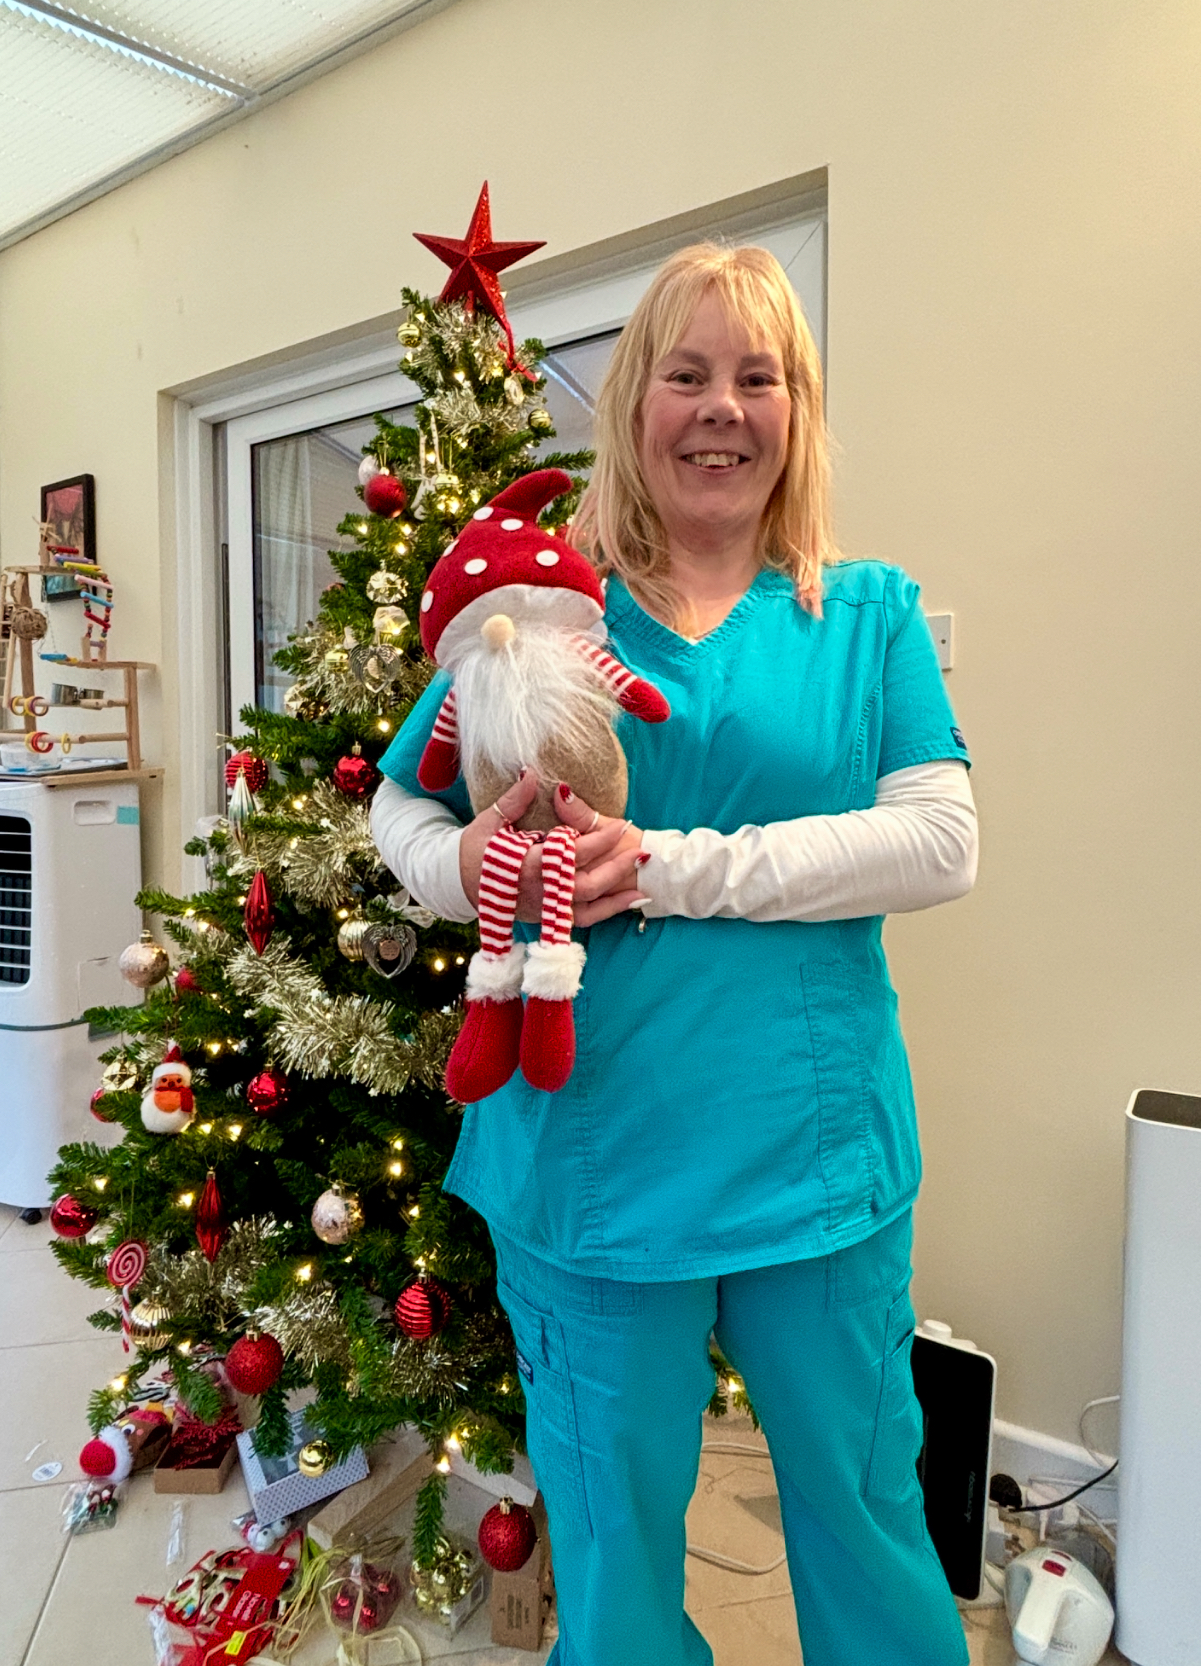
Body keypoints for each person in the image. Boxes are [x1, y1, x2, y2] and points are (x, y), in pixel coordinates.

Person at [370, 243, 977, 1666]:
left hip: (814, 1162)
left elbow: (940, 841)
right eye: (686, 374)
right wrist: (468, 866)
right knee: (614, 1544)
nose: (721, 409)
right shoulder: (540, 611)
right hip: (593, 1166)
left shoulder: (868, 614)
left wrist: (664, 865)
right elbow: (401, 806)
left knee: (866, 1514)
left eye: (757, 378)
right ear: (635, 402)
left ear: (795, 409)